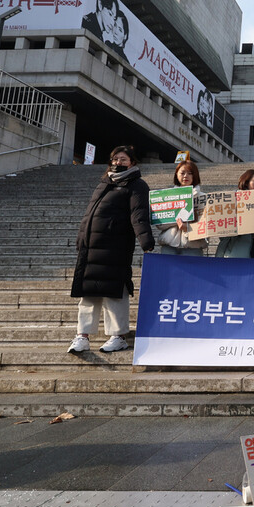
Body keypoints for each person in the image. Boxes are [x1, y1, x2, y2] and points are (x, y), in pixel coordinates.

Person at [68, 146, 154, 354]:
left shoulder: (137, 185)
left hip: (115, 247)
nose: (118, 162)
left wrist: (146, 242)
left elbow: (138, 215)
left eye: (123, 159)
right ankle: (82, 336)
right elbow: (89, 214)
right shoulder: (104, 182)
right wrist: (82, 237)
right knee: (88, 294)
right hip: (91, 248)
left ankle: (118, 336)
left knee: (116, 293)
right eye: (115, 158)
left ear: (132, 162)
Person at [154, 161, 207, 257]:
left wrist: (187, 228)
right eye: (182, 173)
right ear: (176, 174)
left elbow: (207, 225)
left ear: (195, 176)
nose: (186, 176)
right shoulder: (166, 196)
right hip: (169, 246)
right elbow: (159, 223)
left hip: (193, 247)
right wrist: (178, 220)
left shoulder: (203, 198)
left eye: (190, 173)